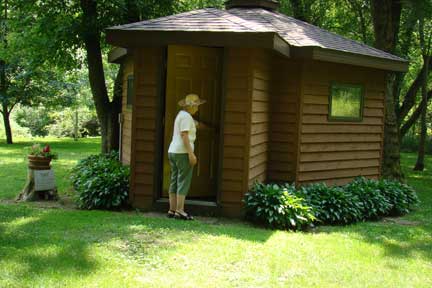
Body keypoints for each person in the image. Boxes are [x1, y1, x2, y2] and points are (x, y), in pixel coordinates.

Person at [167, 94, 206, 220]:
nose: (198, 108)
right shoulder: (187, 117)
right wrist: (191, 154)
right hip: (182, 153)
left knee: (174, 180)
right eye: (197, 106)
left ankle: (172, 209)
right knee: (183, 181)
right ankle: (180, 211)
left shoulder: (181, 115)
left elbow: (196, 125)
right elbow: (184, 135)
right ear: (191, 106)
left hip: (173, 151)